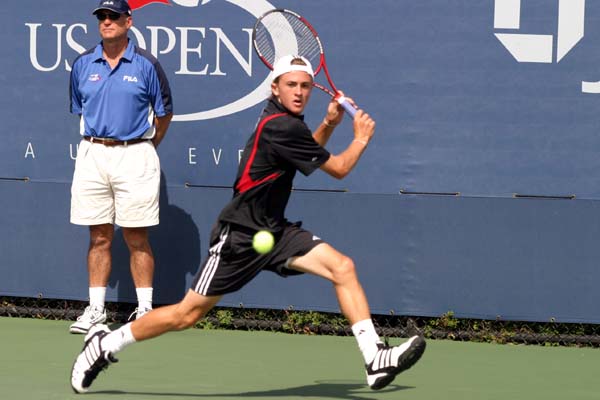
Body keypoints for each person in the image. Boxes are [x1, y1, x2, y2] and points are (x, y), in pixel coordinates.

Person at [70, 55, 424, 393]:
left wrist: (330, 123)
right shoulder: (281, 125)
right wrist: (361, 137)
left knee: (342, 267)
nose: (299, 92)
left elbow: (306, 154)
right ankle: (106, 344)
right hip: (239, 236)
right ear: (275, 88)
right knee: (185, 315)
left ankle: (374, 357)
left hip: (275, 231)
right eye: (291, 85)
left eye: (305, 86)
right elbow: (339, 168)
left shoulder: (284, 122)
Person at [68, 0, 173, 334]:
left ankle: (145, 311)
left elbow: (164, 112)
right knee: (98, 236)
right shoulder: (83, 64)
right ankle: (96, 310)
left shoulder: (147, 64)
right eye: (102, 16)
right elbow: (79, 107)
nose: (107, 21)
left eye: (113, 16)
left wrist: (146, 146)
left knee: (136, 236)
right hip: (93, 154)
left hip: (135, 155)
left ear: (129, 21)